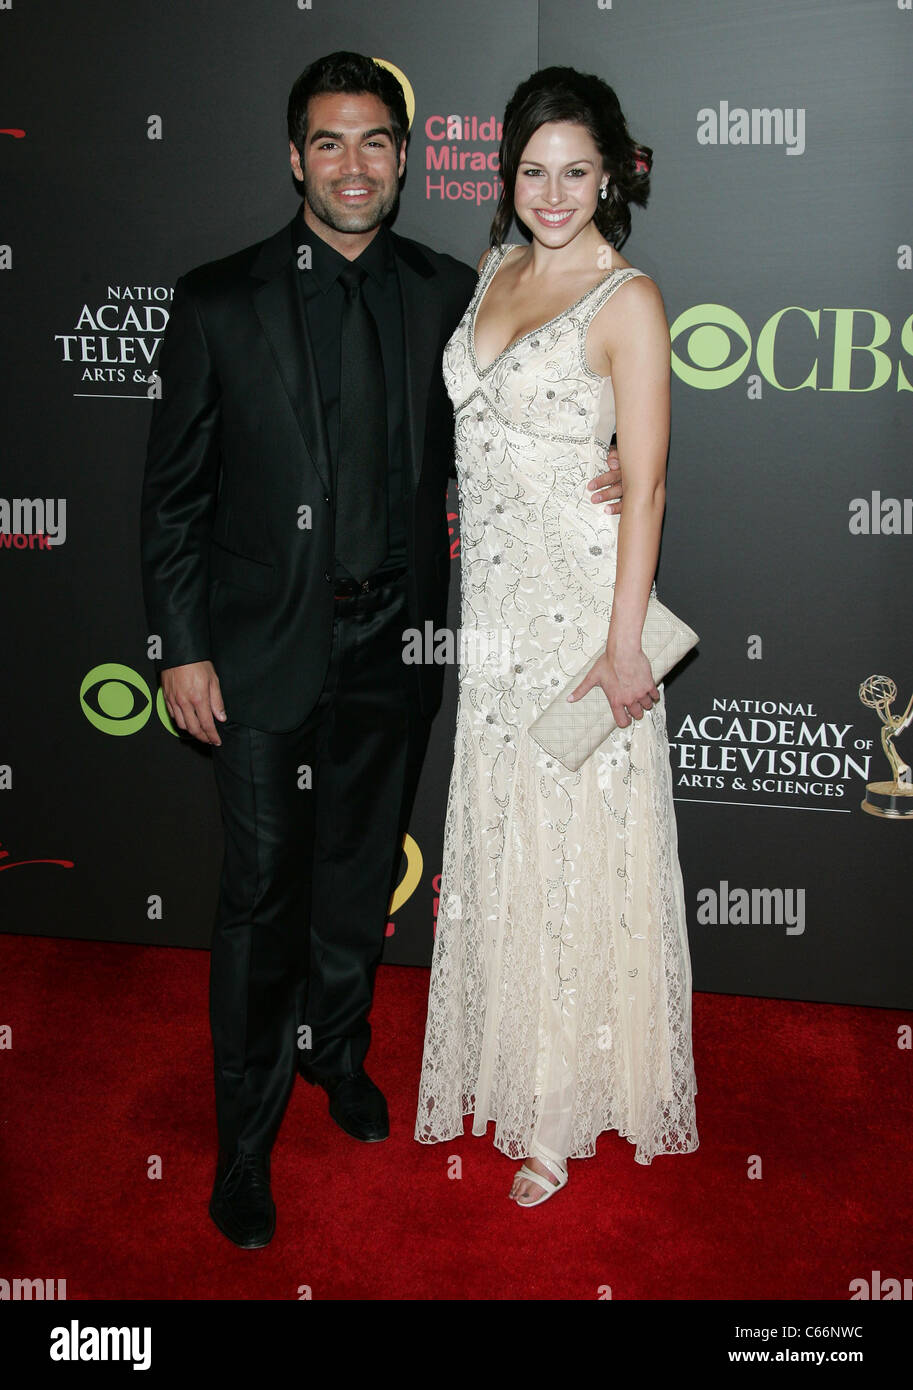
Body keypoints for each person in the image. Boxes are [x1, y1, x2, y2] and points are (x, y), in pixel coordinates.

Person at [140, 52, 624, 1247]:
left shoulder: (450, 293)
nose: (353, 164)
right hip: (259, 654)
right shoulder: (217, 301)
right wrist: (181, 647)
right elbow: (171, 501)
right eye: (328, 142)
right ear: (293, 157)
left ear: (405, 159)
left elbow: (530, 420)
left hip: (398, 646)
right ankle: (243, 1147)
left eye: (375, 143)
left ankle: (337, 1061)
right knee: (261, 897)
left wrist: (600, 474)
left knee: (358, 880)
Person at [415, 66, 699, 1205]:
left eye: (575, 170)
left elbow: (648, 486)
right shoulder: (496, 269)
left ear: (611, 174)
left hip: (581, 619)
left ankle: (558, 1115)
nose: (552, 191)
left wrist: (625, 645)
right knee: (505, 843)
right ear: (507, 173)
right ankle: (509, 1067)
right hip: (490, 621)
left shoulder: (627, 298)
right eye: (533, 169)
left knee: (577, 853)